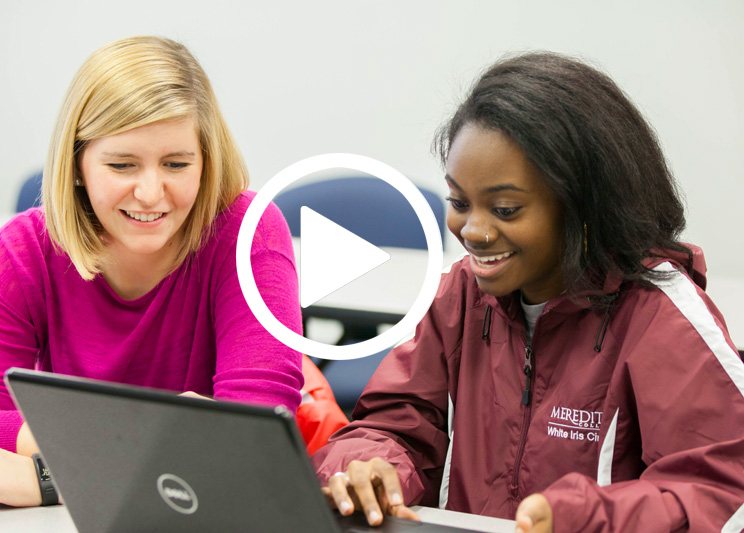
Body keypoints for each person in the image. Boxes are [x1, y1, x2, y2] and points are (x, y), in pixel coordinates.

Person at [313, 52, 744, 532]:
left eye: (505, 208)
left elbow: (721, 492)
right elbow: (396, 421)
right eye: (459, 202)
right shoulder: (459, 296)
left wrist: (586, 520)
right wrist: (369, 466)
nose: (473, 230)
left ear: (582, 205)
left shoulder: (660, 317)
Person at [0, 35, 344, 508]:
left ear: (206, 161)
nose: (151, 193)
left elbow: (247, 436)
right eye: (121, 164)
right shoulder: (25, 250)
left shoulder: (247, 234)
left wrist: (52, 474)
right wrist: (167, 431)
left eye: (176, 163)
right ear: (77, 165)